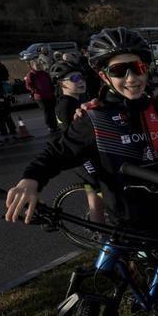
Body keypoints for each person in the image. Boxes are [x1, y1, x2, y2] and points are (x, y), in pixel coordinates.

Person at [3, 27, 158, 298]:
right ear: (103, 75)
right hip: (123, 220)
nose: (131, 78)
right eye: (119, 71)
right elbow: (57, 152)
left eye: (138, 67)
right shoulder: (95, 119)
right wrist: (30, 179)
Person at [49, 60, 105, 225]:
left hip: (83, 155)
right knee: (102, 192)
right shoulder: (67, 104)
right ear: (62, 84)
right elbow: (73, 136)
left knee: (94, 198)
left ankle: (100, 231)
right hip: (81, 157)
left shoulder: (73, 101)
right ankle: (103, 232)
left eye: (81, 77)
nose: (80, 81)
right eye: (73, 78)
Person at [24, 60, 59, 133]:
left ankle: (55, 125)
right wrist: (35, 90)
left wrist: (52, 89)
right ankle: (50, 126)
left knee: (52, 110)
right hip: (40, 97)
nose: (39, 66)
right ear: (32, 66)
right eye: (37, 65)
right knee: (47, 111)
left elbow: (50, 82)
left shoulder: (44, 73)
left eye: (39, 65)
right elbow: (28, 85)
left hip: (49, 95)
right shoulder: (31, 74)